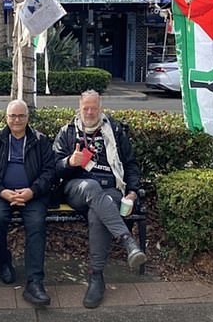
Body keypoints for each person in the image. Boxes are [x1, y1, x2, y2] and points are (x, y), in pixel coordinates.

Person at [53, 89, 146, 309]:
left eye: (94, 107)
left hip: (111, 190)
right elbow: (54, 168)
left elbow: (130, 164)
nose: (90, 111)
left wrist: (132, 191)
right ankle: (127, 241)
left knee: (98, 214)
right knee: (92, 186)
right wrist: (69, 162)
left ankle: (96, 277)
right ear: (79, 106)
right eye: (86, 107)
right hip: (77, 188)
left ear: (100, 107)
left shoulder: (114, 130)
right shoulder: (67, 132)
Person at [0, 99, 55, 306]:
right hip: (0, 194)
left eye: (21, 115)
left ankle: (35, 282)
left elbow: (49, 171)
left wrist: (32, 191)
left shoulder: (40, 140)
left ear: (27, 118)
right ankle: (4, 263)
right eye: (13, 116)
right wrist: (3, 191)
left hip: (33, 195)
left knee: (36, 224)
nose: (17, 120)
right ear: (6, 117)